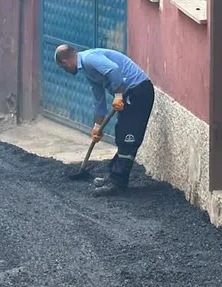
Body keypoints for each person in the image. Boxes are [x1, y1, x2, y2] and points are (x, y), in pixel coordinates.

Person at [55, 44, 155, 196]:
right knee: (121, 132)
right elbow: (99, 100)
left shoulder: (89, 58)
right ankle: (113, 176)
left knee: (129, 137)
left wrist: (119, 95)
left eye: (63, 68)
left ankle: (118, 182)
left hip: (138, 91)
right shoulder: (88, 71)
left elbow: (114, 70)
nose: (66, 71)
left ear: (65, 62)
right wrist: (97, 127)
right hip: (129, 93)